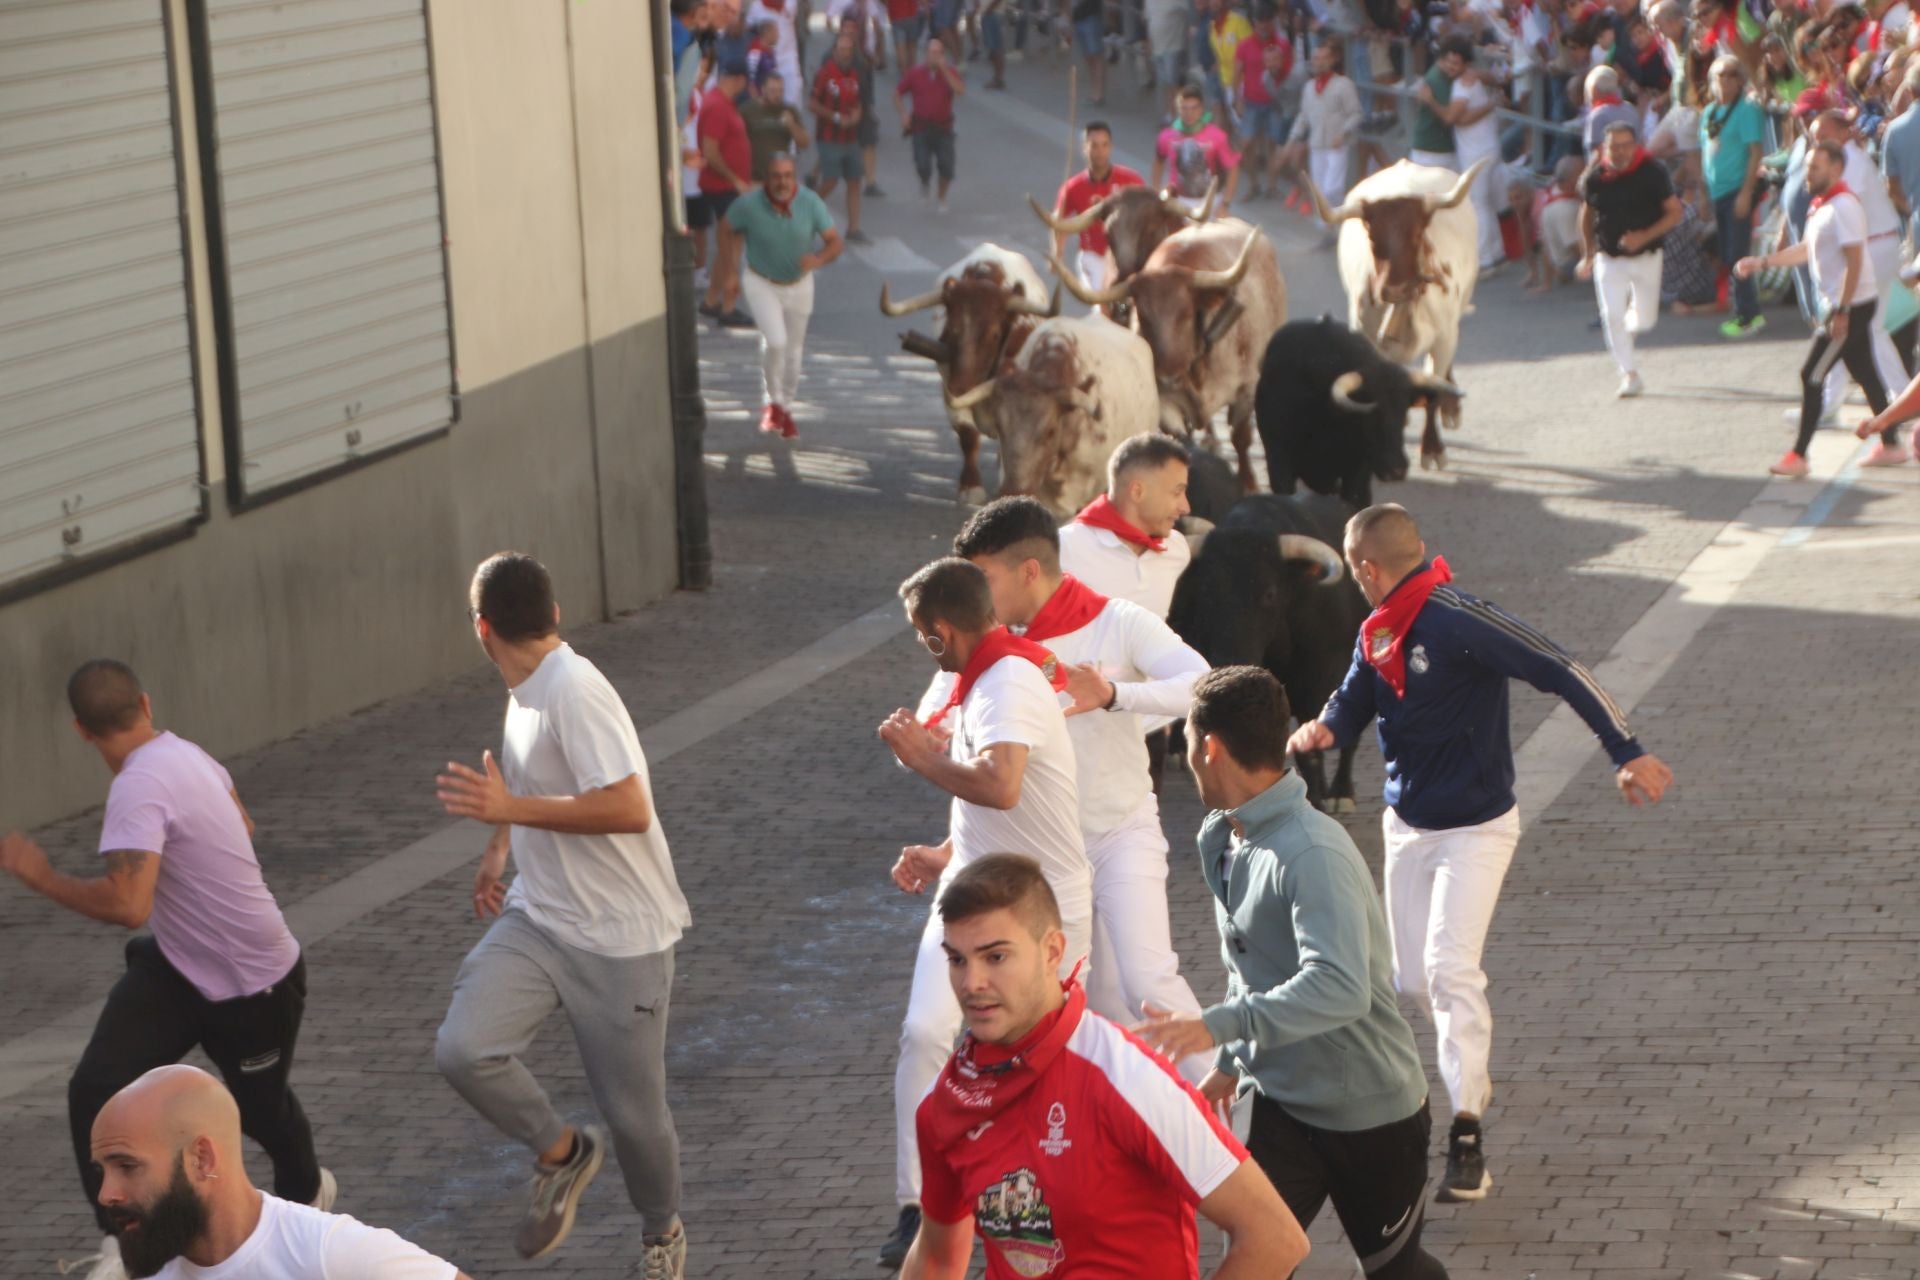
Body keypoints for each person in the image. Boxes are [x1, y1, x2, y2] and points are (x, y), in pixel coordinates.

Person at [1288, 504, 1674, 1203]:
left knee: (1447, 968)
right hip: (1407, 828)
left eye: (1354, 570)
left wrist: (1626, 751)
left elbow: (1561, 668)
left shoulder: (1460, 618)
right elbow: (1353, 703)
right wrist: (1322, 730)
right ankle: (1462, 1065)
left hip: (1477, 829)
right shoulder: (1376, 630)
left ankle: (1467, 1131)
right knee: (1408, 977)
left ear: (1367, 569)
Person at [0, 660, 326, 1280]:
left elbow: (129, 906)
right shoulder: (189, 755)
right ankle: (124, 1249)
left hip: (254, 980)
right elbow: (244, 825)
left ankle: (307, 1196)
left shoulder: (137, 786)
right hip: (177, 967)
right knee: (96, 1086)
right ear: (145, 705)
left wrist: (42, 878)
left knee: (259, 1115)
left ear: (79, 730)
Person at [1135, 665, 1448, 1279]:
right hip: (1281, 1106)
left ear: (1208, 746)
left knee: (1396, 1272)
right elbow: (1251, 964)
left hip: (1372, 1116)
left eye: (1186, 740)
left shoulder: (1311, 853)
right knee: (1254, 1259)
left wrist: (1218, 1027)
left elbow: (1340, 988)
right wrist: (1229, 1065)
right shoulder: (1225, 837)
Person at [432, 553, 691, 1275]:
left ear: (482, 629)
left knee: (637, 1121)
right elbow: (531, 785)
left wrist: (509, 809)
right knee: (464, 1048)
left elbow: (628, 806)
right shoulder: (526, 689)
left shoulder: (574, 689)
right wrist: (499, 846)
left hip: (621, 939)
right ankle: (563, 1153)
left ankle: (661, 1233)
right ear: (553, 612)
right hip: (540, 920)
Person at [901, 854, 1312, 1279]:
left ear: (1052, 951)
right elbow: (936, 1257)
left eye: (996, 957)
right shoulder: (945, 1100)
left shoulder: (1128, 1077)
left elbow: (1274, 1237)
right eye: (957, 960)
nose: (972, 983)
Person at [874, 557, 1096, 1271]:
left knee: (1039, 1061)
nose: (921, 646)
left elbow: (1001, 786)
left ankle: (1055, 1206)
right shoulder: (982, 679)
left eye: (920, 634)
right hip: (971, 894)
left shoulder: (1006, 683)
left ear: (941, 630)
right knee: (924, 1032)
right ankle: (919, 1208)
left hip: (1039, 912)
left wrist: (918, 761)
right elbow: (990, 806)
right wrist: (946, 851)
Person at [953, 498, 1213, 1076]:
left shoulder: (1118, 620)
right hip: (1042, 856)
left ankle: (1233, 1113)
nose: (974, 593)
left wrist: (1117, 697)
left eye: (983, 577)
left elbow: (1202, 684)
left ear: (1027, 570)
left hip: (1121, 832)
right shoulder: (983, 644)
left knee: (1149, 980)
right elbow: (956, 740)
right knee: (1087, 1006)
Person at [88, 1066, 467, 1280]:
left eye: (127, 1166)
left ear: (200, 1160)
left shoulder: (327, 1254)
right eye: (103, 1171)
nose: (107, 1193)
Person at [1736, 141, 1907, 474]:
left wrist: (1841, 311)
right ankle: (1891, 445)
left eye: (1814, 167)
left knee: (1811, 375)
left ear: (1836, 170)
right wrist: (1762, 262)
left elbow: (1855, 261)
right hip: (1848, 304)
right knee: (1866, 373)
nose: (1806, 174)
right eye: (1807, 166)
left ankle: (1799, 456)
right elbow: (1807, 250)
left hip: (1850, 306)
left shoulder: (1843, 207)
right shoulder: (1823, 206)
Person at [726, 152, 843, 439]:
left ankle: (785, 407)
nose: (782, 182)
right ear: (767, 178)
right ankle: (771, 403)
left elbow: (834, 242)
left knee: (793, 351)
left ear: (795, 178)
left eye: (788, 176)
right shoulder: (749, 205)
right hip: (761, 281)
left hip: (800, 285)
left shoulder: (810, 202)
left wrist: (818, 260)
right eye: (776, 176)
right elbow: (726, 228)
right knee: (776, 341)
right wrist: (730, 271)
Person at [1578, 120, 1684, 397]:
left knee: (1644, 321)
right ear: (1605, 147)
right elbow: (1587, 214)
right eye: (1615, 146)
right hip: (1608, 257)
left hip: (1647, 256)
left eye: (1627, 145)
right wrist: (1588, 253)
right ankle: (1629, 373)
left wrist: (1644, 236)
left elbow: (1675, 212)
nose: (1621, 152)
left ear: (1636, 145)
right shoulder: (1596, 175)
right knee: (1611, 315)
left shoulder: (1652, 171)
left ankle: (1630, 328)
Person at [1057, 433, 1193, 620]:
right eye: (1177, 492)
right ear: (1137, 492)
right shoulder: (1064, 548)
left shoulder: (1176, 550)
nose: (1185, 507)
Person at [1701, 54, 1768, 338]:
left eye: (1732, 75)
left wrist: (1746, 193)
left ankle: (1748, 315)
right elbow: (1706, 153)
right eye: (1720, 75)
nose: (1726, 81)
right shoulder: (1709, 112)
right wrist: (1705, 194)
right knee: (1729, 253)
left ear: (1741, 80)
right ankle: (1744, 309)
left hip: (1737, 189)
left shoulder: (1747, 109)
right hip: (1718, 191)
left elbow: (1755, 152)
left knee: (1737, 252)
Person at [698, 56, 757, 328]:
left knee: (725, 248)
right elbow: (711, 151)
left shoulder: (720, 102)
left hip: (725, 186)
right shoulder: (718, 106)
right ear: (738, 80)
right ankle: (729, 305)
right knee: (732, 249)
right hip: (723, 188)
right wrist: (735, 179)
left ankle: (712, 300)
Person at [1052, 121, 1146, 291]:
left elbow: (1148, 214)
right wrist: (1057, 254)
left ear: (1110, 147)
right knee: (1101, 306)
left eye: (1104, 145)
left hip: (1126, 256)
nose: (1100, 151)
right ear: (1084, 148)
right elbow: (1060, 223)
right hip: (1092, 257)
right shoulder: (1072, 187)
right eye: (1094, 145)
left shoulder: (1131, 180)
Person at [1286, 40, 1361, 221]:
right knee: (1319, 190)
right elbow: (1304, 116)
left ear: (1332, 61)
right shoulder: (1309, 88)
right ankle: (1328, 229)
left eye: (1323, 58)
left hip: (1337, 145)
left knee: (1332, 188)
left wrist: (1343, 133)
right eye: (1316, 58)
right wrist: (1292, 138)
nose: (1318, 62)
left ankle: (1339, 221)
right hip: (1317, 145)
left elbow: (1356, 113)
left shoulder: (1343, 85)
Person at [811, 25, 872, 243]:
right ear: (834, 50)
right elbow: (812, 103)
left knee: (854, 181)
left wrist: (856, 116)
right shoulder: (825, 73)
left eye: (849, 50)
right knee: (830, 181)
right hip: (829, 136)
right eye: (841, 49)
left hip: (850, 137)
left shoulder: (855, 74)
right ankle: (807, 214)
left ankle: (854, 228)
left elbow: (859, 102)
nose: (845, 54)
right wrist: (836, 117)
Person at [896, 37, 965, 210]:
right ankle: (924, 181)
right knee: (922, 164)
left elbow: (960, 90)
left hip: (943, 127)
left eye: (938, 53)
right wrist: (903, 114)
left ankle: (941, 197)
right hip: (921, 127)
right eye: (931, 52)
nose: (934, 56)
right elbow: (897, 93)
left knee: (946, 166)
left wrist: (944, 70)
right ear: (925, 54)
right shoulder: (915, 73)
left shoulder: (950, 72)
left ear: (943, 55)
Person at [1454, 57, 1508, 271]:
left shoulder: (1466, 83)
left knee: (1478, 203)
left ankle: (1484, 258)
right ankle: (1496, 252)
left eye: (1456, 61)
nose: (1451, 66)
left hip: (1478, 152)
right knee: (1486, 202)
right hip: (1487, 148)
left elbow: (1460, 118)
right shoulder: (1476, 79)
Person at [1233, 5, 1292, 199]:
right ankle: (1253, 183)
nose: (1263, 26)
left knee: (1273, 143)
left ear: (1272, 22)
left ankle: (1271, 184)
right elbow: (1237, 72)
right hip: (1251, 102)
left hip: (1274, 102)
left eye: (1267, 21)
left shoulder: (1283, 45)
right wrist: (1237, 99)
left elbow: (1289, 73)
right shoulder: (1245, 45)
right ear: (1255, 23)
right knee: (1246, 144)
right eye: (1260, 22)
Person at [1153, 86, 1242, 212]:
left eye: (1194, 108)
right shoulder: (1166, 136)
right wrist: (1157, 191)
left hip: (1210, 202)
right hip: (1178, 201)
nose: (1189, 113)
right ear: (1178, 109)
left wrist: (1225, 203)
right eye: (1184, 108)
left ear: (1201, 109)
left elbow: (1233, 168)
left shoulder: (1217, 136)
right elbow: (1158, 161)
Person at [1410, 37, 1472, 169]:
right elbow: (1449, 117)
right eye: (1449, 61)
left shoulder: (1450, 78)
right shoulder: (1437, 79)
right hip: (1432, 153)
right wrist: (1489, 106)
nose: (1451, 66)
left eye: (1455, 63)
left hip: (1439, 151)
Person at [1528, 154, 1586, 291]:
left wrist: (1546, 283)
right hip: (1568, 263)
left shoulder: (1551, 193)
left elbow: (1544, 243)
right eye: (1582, 172)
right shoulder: (1564, 209)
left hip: (1558, 259)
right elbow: (1576, 247)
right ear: (1572, 179)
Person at [742, 70, 811, 180]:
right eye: (773, 91)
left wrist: (792, 125)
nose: (777, 95)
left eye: (780, 91)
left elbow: (804, 143)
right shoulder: (748, 110)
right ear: (763, 89)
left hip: (780, 177)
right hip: (755, 177)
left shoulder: (789, 110)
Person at [1580, 65, 1638, 154]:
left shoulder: (1598, 115)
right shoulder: (1631, 109)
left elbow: (1597, 154)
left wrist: (1588, 168)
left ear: (1593, 90)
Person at [747, 0, 803, 90]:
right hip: (767, 60)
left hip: (788, 57)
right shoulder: (756, 6)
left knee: (794, 91)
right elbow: (749, 26)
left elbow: (784, 8)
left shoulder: (790, 2)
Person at [1072, 0, 1109, 106]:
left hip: (1091, 15)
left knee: (1096, 56)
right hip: (1078, 16)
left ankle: (1099, 95)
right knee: (1088, 57)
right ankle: (1094, 92)